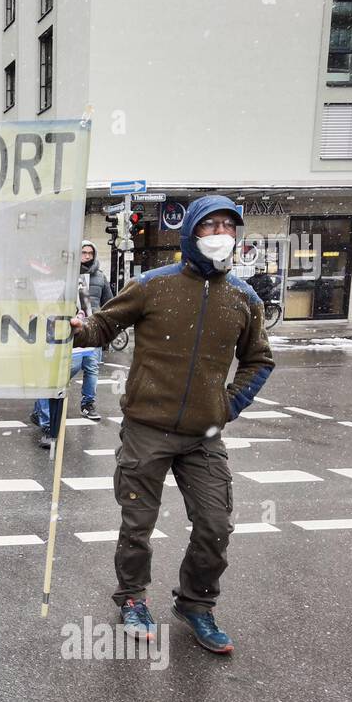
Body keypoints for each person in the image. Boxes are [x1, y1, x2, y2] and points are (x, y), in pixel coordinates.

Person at [71, 195, 275, 655]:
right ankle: (132, 599)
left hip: (204, 436)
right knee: (137, 524)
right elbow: (103, 327)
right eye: (211, 226)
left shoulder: (244, 298)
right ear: (191, 233)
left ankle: (197, 604)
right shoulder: (152, 285)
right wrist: (76, 329)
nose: (222, 234)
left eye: (229, 227)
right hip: (146, 428)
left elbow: (259, 359)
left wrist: (228, 405)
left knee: (215, 524)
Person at [31, 240, 112, 427]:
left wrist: (103, 324)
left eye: (90, 253)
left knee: (92, 368)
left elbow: (109, 301)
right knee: (64, 372)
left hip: (93, 329)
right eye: (83, 253)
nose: (87, 256)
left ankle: (88, 404)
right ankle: (43, 406)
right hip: (71, 329)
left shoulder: (100, 277)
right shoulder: (67, 276)